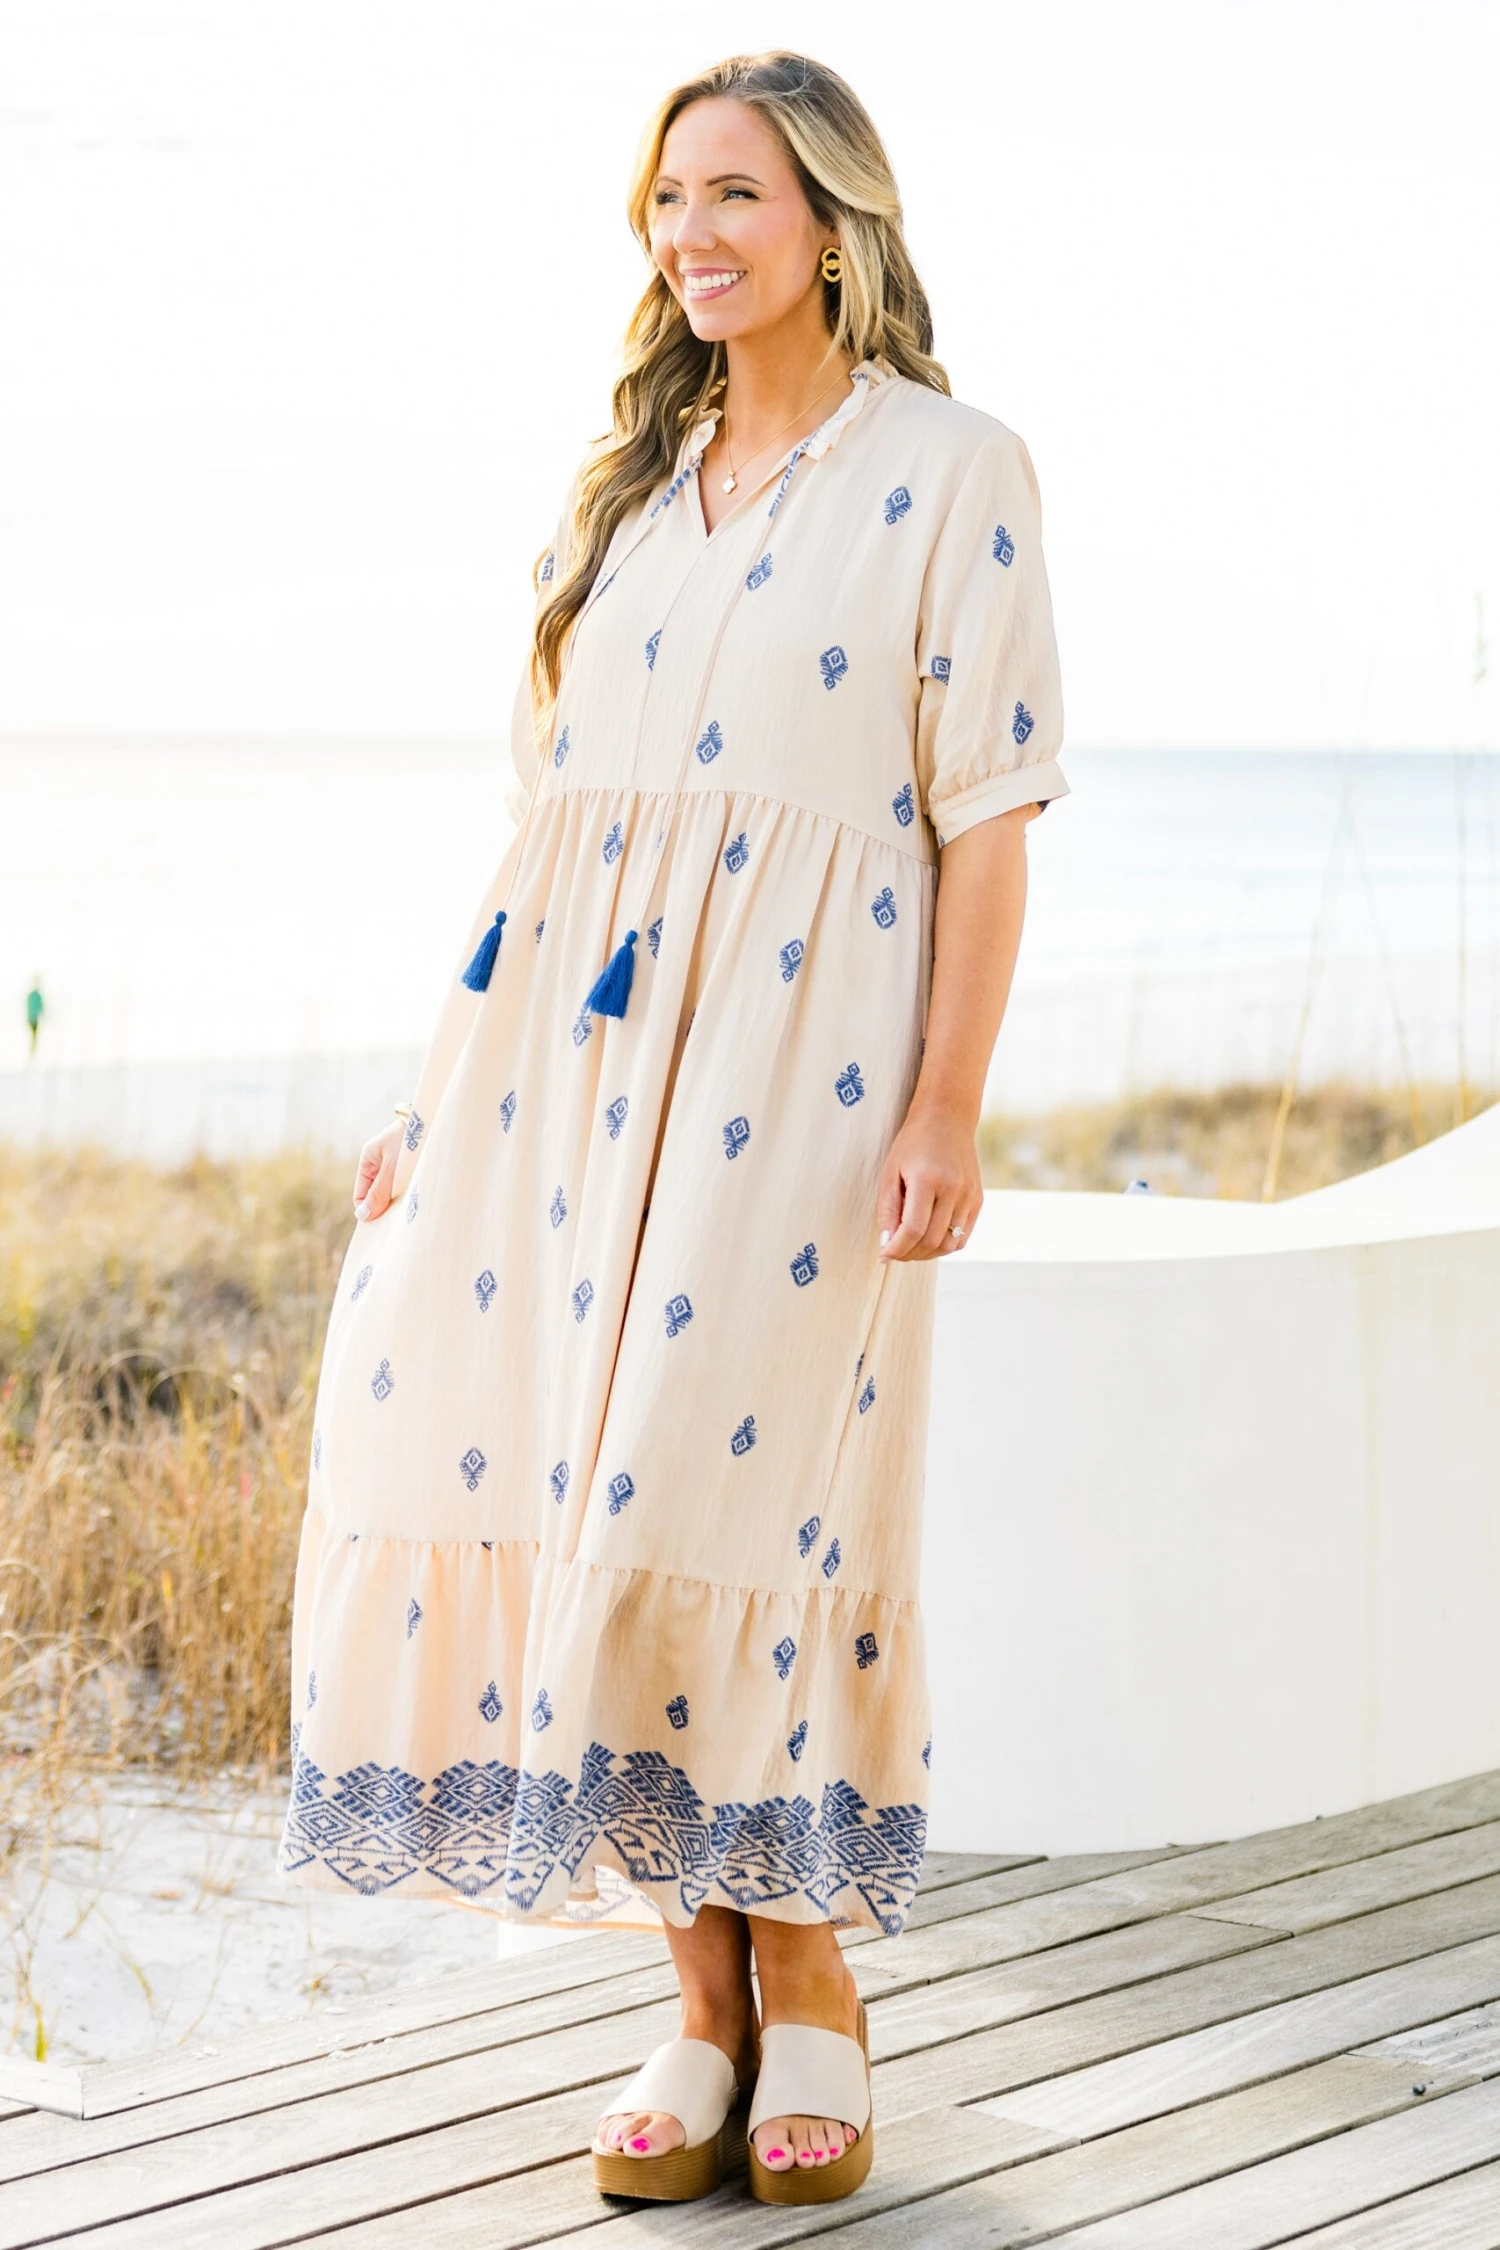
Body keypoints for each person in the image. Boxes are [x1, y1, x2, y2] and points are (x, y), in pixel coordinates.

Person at [275, 49, 1067, 2210]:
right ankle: (699, 1999)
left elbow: (986, 826)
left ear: (832, 218)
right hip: (557, 1073)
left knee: (735, 1506)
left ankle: (810, 1976)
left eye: (732, 194)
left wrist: (946, 1101)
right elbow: (548, 838)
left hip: (804, 1078)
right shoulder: (623, 495)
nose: (691, 236)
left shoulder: (956, 471)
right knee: (549, 1489)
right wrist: (435, 1101)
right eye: (667, 202)